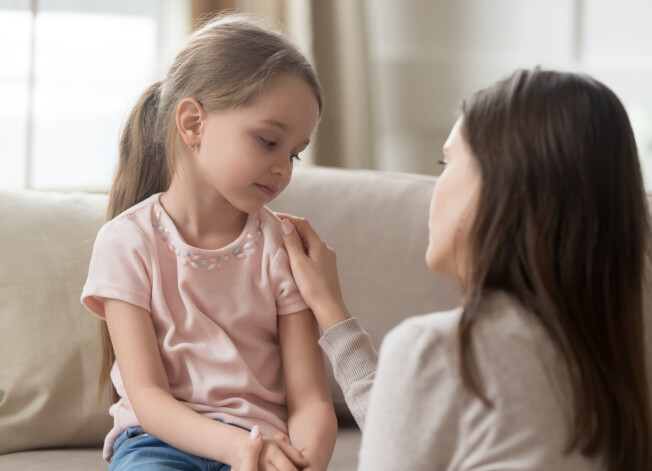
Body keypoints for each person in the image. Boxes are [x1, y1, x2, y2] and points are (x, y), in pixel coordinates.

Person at [273, 69, 652, 469]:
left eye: (447, 162)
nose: (437, 187)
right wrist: (333, 313)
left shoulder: (439, 350)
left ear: (502, 188)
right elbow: (412, 428)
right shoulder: (612, 361)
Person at [81, 14, 336, 471]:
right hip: (155, 443)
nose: (284, 169)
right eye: (268, 141)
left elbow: (311, 399)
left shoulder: (282, 245)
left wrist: (306, 462)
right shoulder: (126, 242)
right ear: (194, 123)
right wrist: (236, 449)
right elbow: (149, 397)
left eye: (294, 152)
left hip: (264, 444)